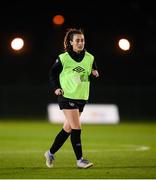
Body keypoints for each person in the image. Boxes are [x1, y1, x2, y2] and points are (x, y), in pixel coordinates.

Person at [44, 28, 99, 169]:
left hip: (81, 97)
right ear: (71, 42)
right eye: (77, 40)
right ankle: (80, 160)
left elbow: (91, 68)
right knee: (76, 128)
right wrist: (56, 87)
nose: (80, 43)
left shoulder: (90, 57)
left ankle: (50, 153)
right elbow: (52, 73)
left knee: (67, 129)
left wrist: (94, 71)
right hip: (67, 96)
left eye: (82, 40)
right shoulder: (63, 58)